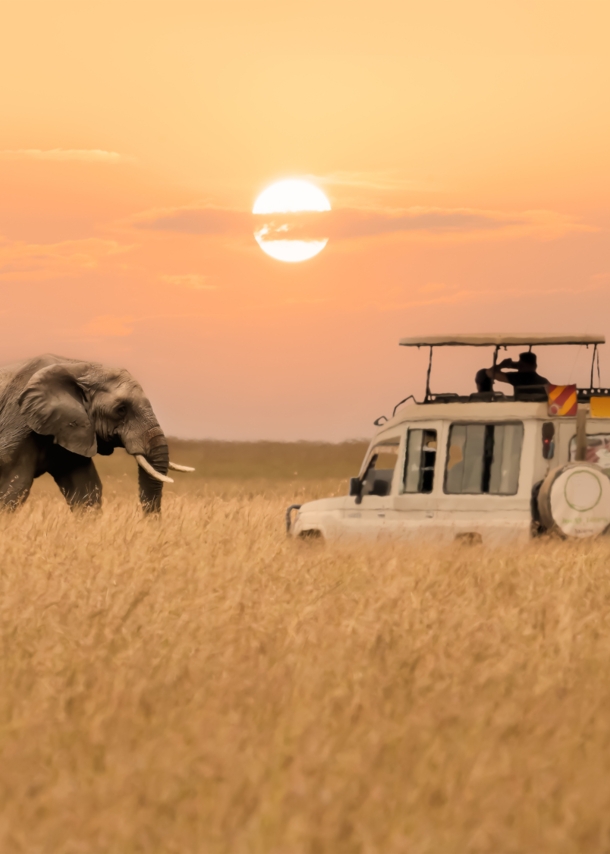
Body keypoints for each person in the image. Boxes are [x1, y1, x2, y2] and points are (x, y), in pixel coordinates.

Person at [484, 351, 549, 389]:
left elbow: (489, 373)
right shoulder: (544, 381)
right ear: (535, 366)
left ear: (521, 364)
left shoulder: (517, 377)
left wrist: (502, 365)